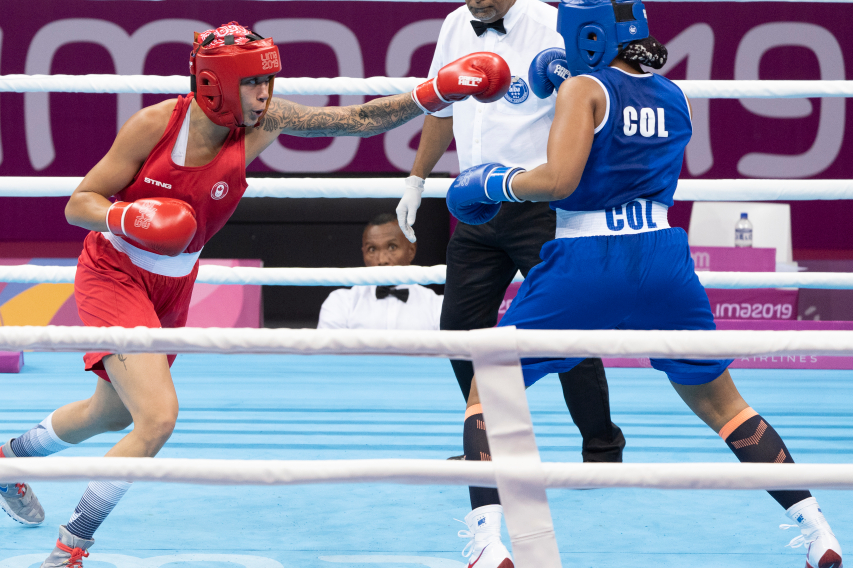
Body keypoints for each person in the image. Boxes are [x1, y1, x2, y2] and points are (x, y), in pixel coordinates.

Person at [0, 22, 512, 568]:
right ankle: (70, 548)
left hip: (174, 281)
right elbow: (78, 201)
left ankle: (3, 464)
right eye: (253, 84)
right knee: (155, 419)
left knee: (111, 415)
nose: (265, 96)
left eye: (269, 82)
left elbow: (356, 120)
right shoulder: (155, 125)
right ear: (215, 84)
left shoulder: (267, 119)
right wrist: (127, 214)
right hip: (115, 271)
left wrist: (437, 92)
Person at [447, 1, 843, 567]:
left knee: (488, 391)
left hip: (587, 260)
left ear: (587, 35)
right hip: (662, 260)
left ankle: (487, 545)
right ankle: (818, 530)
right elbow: (630, 139)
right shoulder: (675, 95)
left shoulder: (583, 89)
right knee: (727, 406)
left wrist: (494, 182)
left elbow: (559, 180)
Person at [394, 0, 624, 563]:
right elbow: (441, 106)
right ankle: (489, 444)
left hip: (540, 201)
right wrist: (418, 178)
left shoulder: (555, 25)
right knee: (460, 328)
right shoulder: (454, 24)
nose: (482, 3)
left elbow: (598, 109)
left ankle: (602, 449)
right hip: (474, 203)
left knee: (564, 331)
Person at [318, 213, 443, 330]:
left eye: (392, 247)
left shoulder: (437, 306)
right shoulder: (341, 303)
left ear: (411, 251)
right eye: (372, 249)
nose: (382, 260)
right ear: (364, 253)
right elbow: (328, 353)